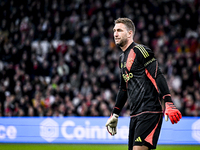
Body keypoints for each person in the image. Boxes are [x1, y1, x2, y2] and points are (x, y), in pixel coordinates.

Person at [105, 18, 182, 150]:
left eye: (119, 30)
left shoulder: (140, 50)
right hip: (135, 114)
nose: (115, 34)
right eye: (114, 31)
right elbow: (123, 89)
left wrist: (168, 102)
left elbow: (157, 75)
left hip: (150, 110)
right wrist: (115, 114)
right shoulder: (122, 58)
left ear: (130, 33)